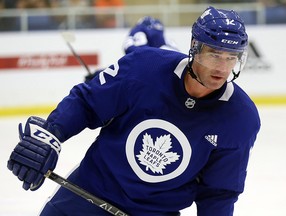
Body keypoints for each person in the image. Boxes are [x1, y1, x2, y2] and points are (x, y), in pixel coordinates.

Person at [7, 6, 261, 216]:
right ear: (195, 47)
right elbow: (87, 103)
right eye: (214, 55)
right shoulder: (143, 67)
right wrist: (52, 135)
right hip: (86, 195)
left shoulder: (241, 118)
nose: (222, 68)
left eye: (231, 58)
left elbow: (218, 192)